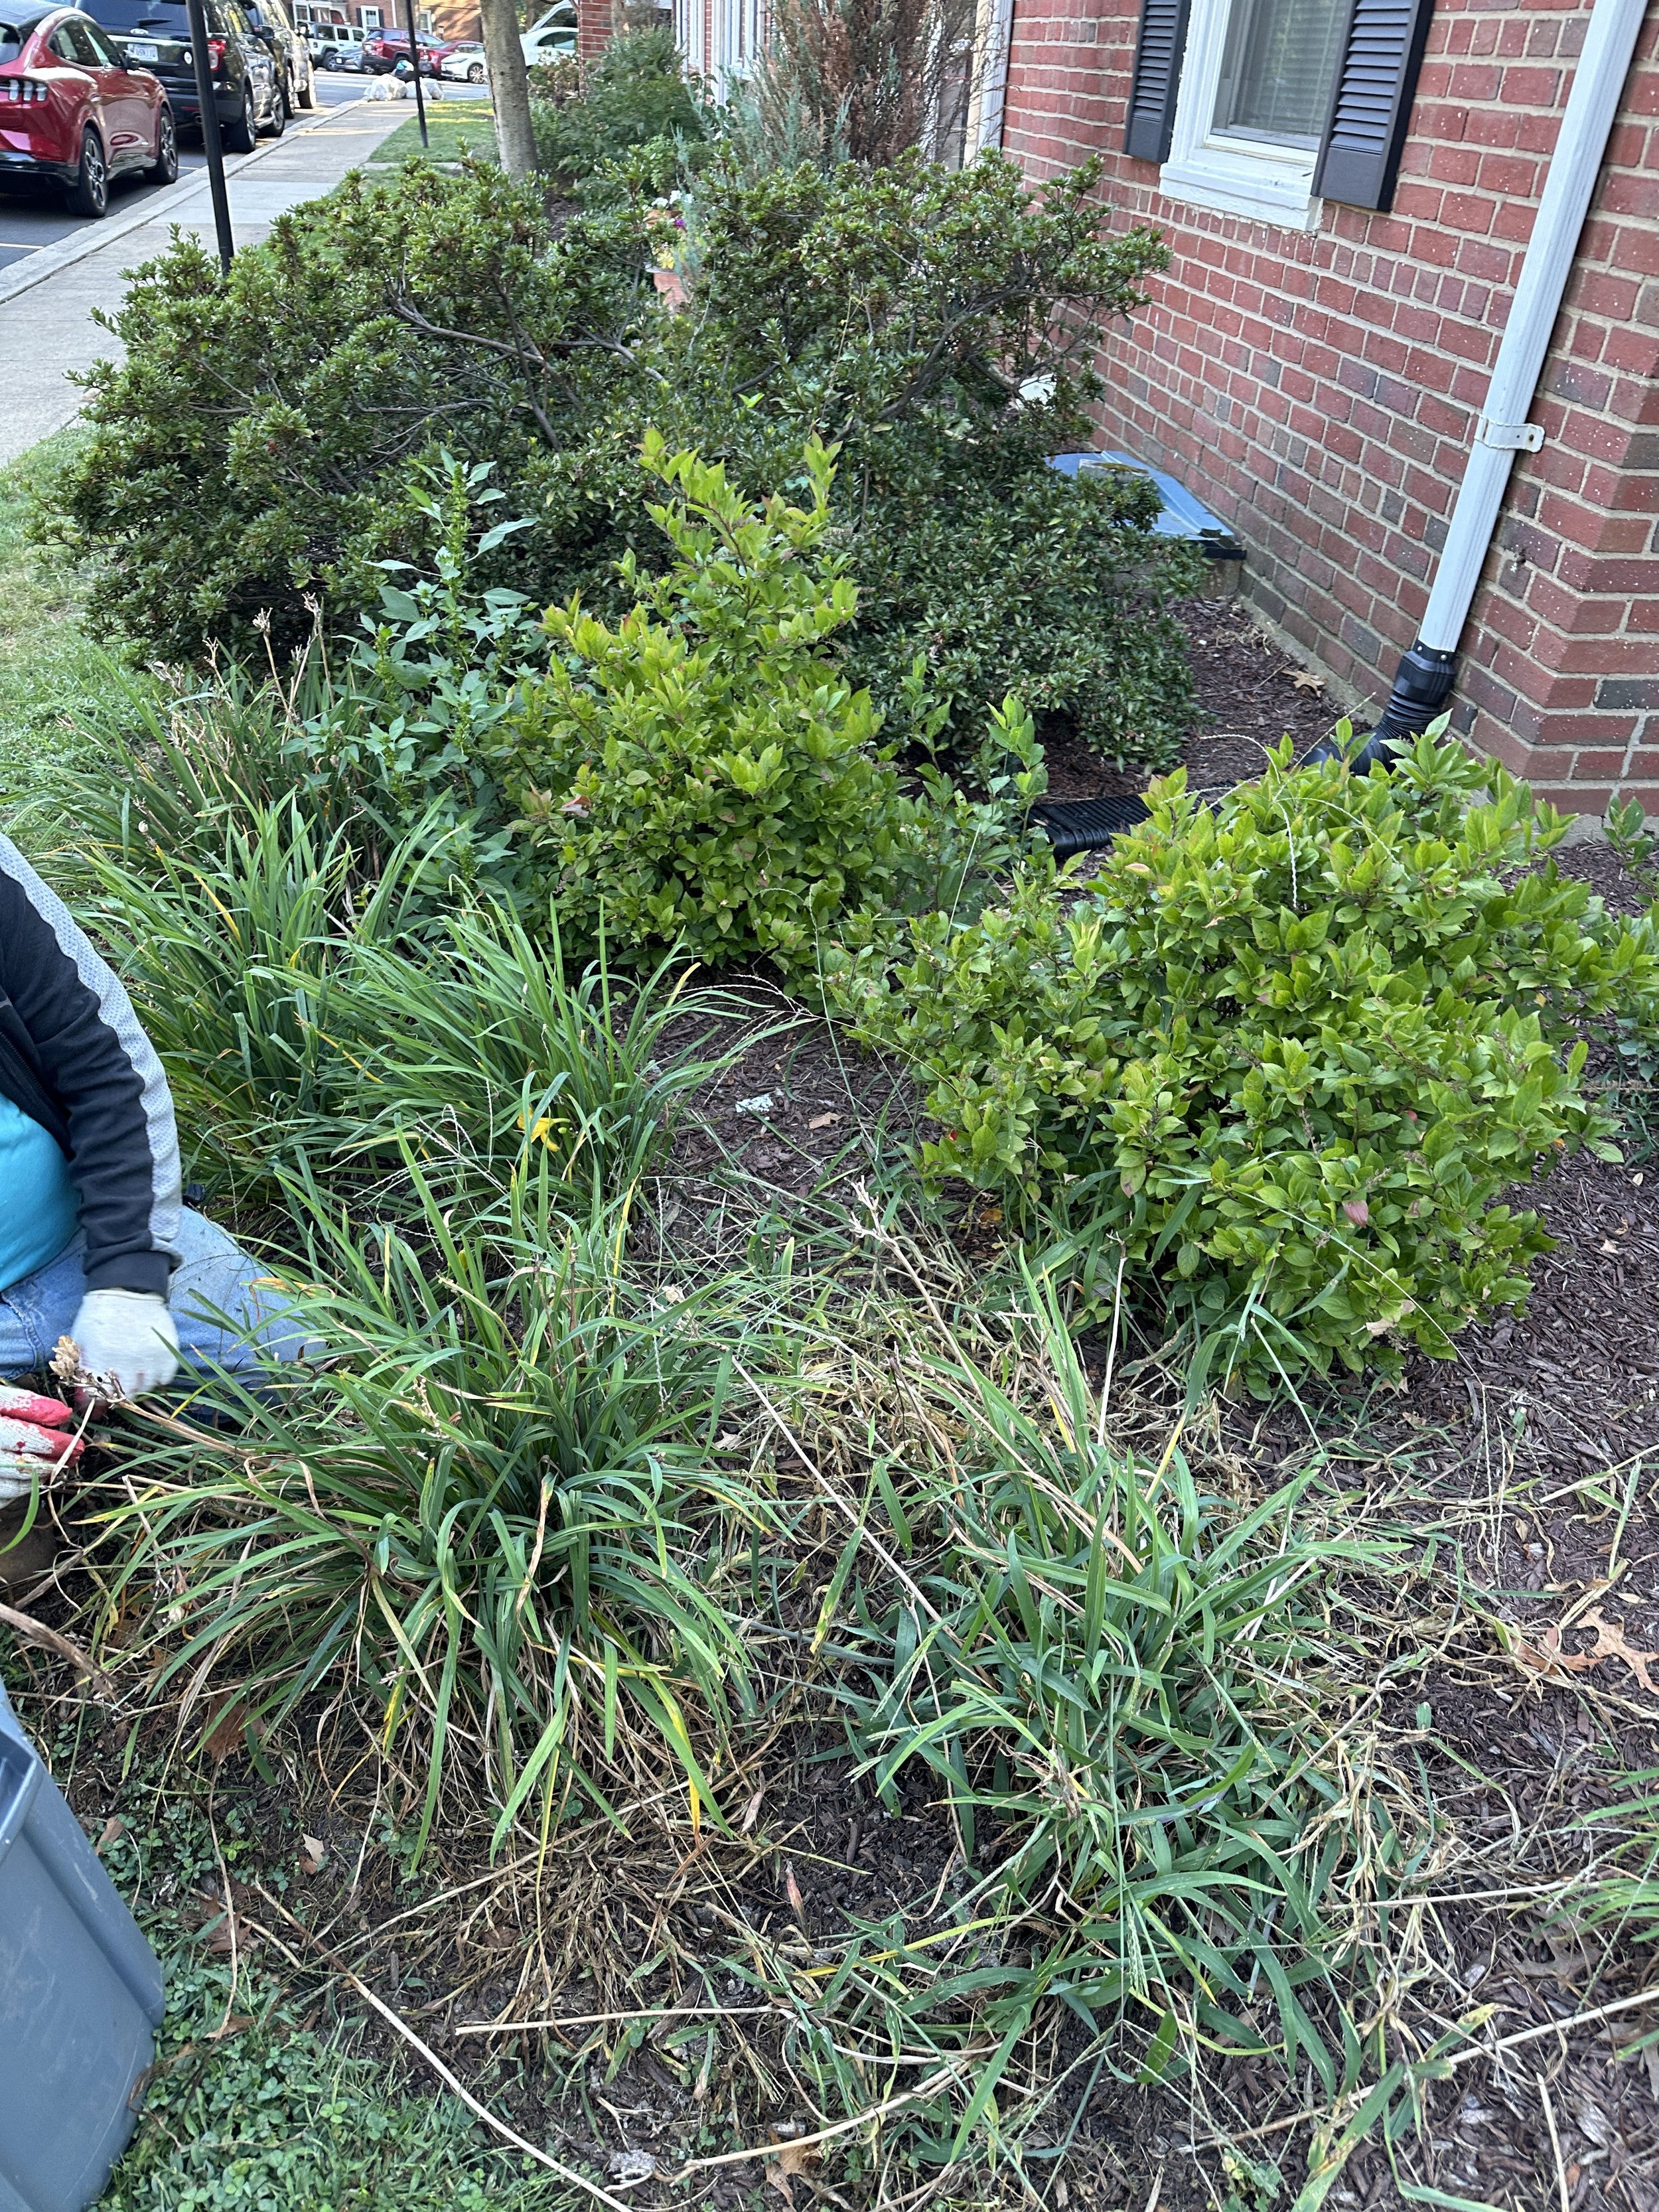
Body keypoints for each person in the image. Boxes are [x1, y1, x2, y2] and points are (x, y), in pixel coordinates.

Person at [0, 831, 305, 1515]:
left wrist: (129, 1277)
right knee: (18, 1552)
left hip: (81, 1241)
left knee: (321, 1377)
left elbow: (102, 1057)